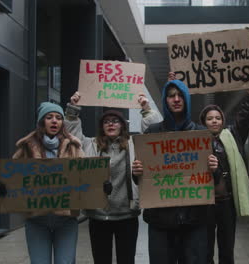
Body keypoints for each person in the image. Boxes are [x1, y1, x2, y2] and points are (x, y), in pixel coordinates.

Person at [64, 92, 159, 264]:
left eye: (115, 121)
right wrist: (73, 109)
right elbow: (72, 134)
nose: (110, 124)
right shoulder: (90, 144)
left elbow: (153, 133)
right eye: (106, 122)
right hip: (98, 216)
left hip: (127, 215)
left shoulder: (134, 144)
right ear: (102, 126)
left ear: (122, 125)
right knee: (101, 260)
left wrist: (146, 109)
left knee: (126, 260)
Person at [132, 78, 219, 264]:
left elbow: (215, 179)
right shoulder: (152, 134)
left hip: (195, 222)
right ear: (165, 101)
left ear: (187, 100)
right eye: (171, 96)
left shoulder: (201, 134)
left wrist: (214, 168)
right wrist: (136, 171)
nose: (176, 99)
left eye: (180, 95)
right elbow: (142, 179)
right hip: (161, 223)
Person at [196, 72, 249, 264]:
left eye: (218, 118)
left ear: (223, 121)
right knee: (205, 249)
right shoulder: (195, 142)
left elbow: (244, 116)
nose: (214, 121)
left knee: (227, 249)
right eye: (209, 118)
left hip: (226, 203)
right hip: (204, 204)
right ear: (203, 122)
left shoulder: (233, 135)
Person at [13, 102, 85, 264]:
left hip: (66, 221)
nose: (54, 121)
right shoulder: (26, 147)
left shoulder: (74, 147)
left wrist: (99, 186)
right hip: (37, 220)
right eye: (49, 117)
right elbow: (14, 178)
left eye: (59, 118)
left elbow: (86, 176)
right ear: (41, 122)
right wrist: (4, 188)